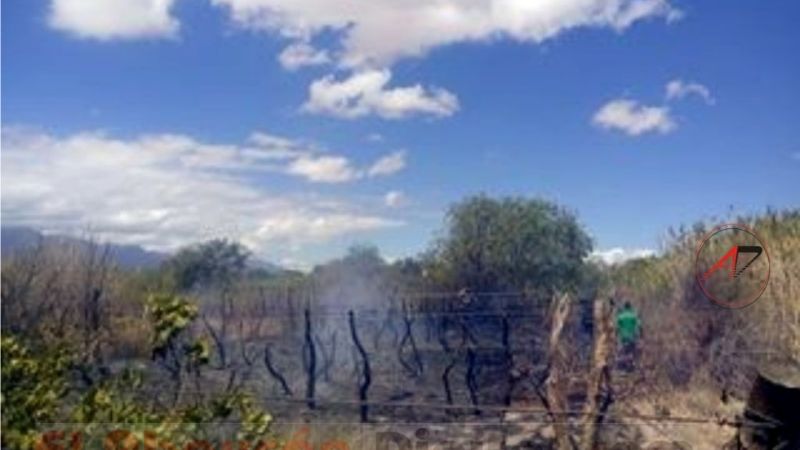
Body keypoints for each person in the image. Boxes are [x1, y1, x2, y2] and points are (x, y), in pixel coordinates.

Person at [616, 301, 640, 371]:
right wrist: (638, 335)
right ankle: (630, 366)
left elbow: (617, 327)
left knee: (623, 352)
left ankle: (623, 367)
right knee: (631, 352)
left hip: (622, 337)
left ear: (624, 307)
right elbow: (638, 326)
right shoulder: (633, 316)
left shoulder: (620, 316)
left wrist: (617, 335)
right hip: (632, 337)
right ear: (630, 307)